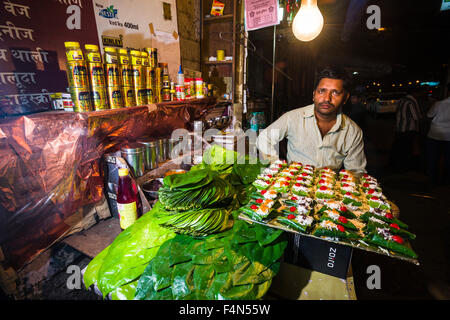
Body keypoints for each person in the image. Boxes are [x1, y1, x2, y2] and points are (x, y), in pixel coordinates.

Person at [256, 66, 367, 174]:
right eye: (322, 91)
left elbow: (356, 171)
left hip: (327, 189)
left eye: (335, 93)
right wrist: (277, 167)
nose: (327, 98)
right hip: (293, 189)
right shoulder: (292, 118)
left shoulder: (353, 132)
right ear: (314, 94)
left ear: (345, 98)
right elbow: (264, 138)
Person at [389, 89, 424, 172]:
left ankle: (396, 166)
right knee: (407, 149)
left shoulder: (401, 100)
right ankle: (405, 167)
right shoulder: (412, 101)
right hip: (408, 129)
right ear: (415, 93)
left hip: (399, 128)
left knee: (398, 148)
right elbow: (417, 117)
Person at [426, 83, 450, 187]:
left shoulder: (439, 104)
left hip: (435, 135)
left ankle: (432, 181)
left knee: (433, 159)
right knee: (448, 160)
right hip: (448, 136)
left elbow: (429, 115)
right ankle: (446, 181)